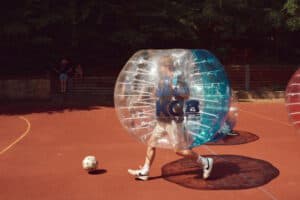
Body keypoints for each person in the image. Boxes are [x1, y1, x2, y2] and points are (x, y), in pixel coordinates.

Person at [127, 56, 214, 181]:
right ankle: (145, 171)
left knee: (179, 150)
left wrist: (174, 90)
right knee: (151, 143)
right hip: (162, 118)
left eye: (160, 67)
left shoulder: (178, 80)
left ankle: (205, 162)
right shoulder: (162, 80)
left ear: (166, 67)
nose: (158, 70)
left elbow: (187, 94)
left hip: (173, 120)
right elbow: (155, 95)